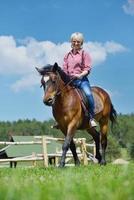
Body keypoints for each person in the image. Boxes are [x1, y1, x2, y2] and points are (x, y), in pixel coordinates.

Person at [63, 32, 97, 127]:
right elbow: (64, 69)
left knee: (89, 94)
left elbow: (88, 68)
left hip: (81, 80)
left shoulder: (84, 54)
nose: (76, 43)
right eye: (74, 41)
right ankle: (60, 119)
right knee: (59, 95)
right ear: (71, 42)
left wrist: (80, 75)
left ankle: (91, 118)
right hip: (69, 81)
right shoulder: (67, 55)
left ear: (81, 42)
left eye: (78, 41)